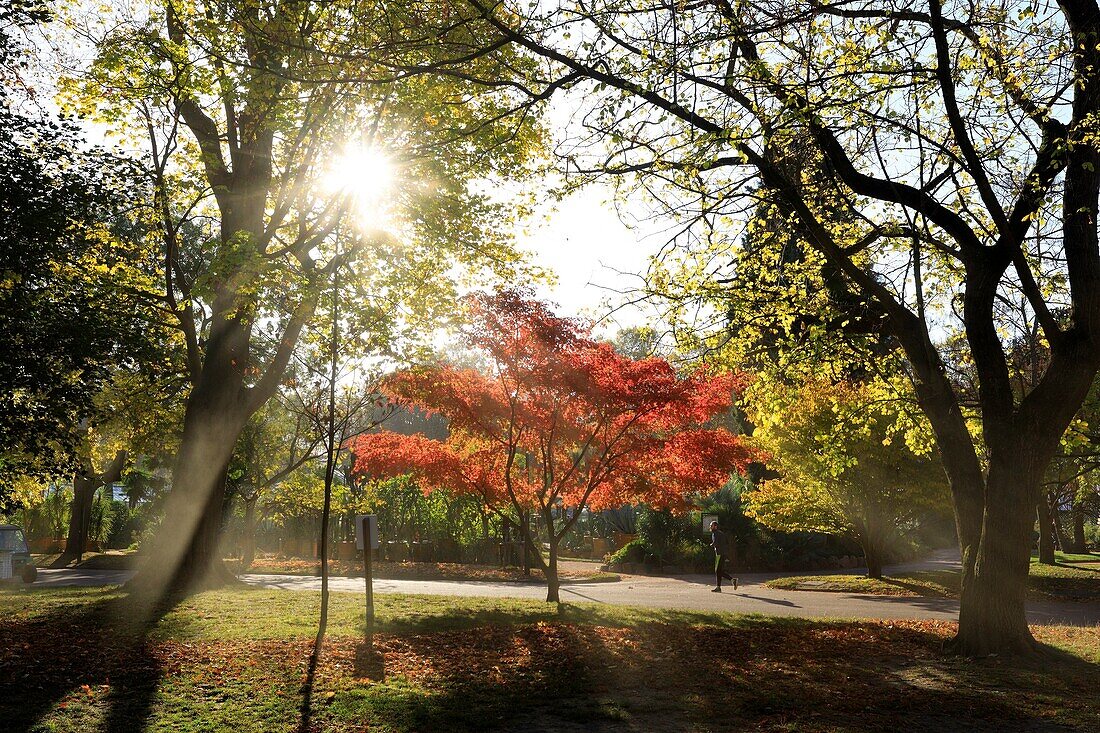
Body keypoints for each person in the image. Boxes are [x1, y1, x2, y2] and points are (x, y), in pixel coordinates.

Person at [709, 520, 736, 592]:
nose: (710, 527)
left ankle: (730, 581)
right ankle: (720, 586)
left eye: (711, 525)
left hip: (719, 554)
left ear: (715, 526)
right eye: (710, 525)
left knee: (717, 571)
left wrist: (711, 545)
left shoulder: (715, 533)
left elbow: (716, 543)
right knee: (719, 571)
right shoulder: (721, 533)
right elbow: (726, 543)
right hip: (723, 554)